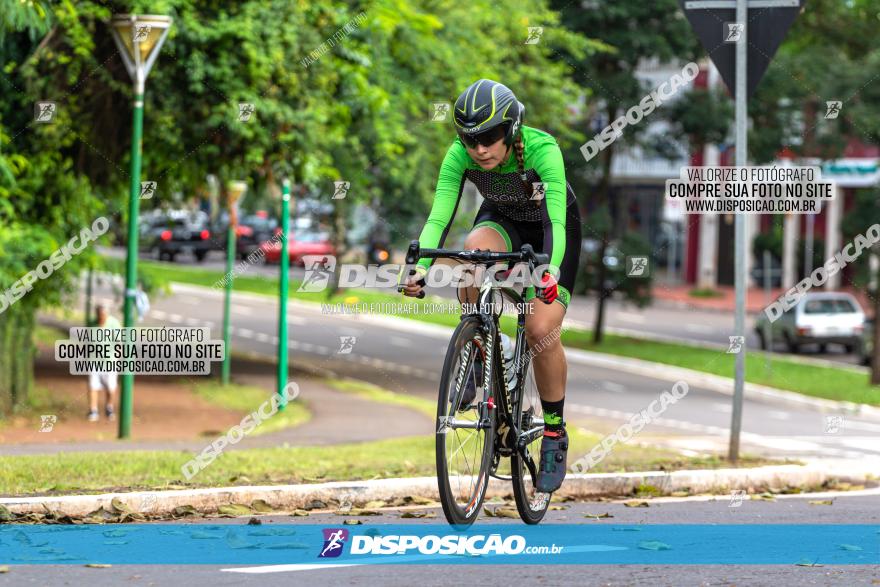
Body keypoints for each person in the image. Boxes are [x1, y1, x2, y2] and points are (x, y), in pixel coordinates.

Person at [400, 79, 582, 493]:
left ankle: (554, 433)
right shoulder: (458, 158)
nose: (480, 149)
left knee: (538, 330)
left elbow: (554, 221)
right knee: (471, 255)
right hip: (502, 222)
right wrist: (419, 268)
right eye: (470, 139)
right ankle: (479, 349)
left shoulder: (542, 149)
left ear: (512, 129)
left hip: (552, 233)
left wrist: (549, 270)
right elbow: (439, 218)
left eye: (489, 137)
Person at [87, 304, 121, 422]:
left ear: (106, 314)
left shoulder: (113, 324)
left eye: (103, 315)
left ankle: (109, 407)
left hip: (110, 361)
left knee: (110, 387)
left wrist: (117, 357)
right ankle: (93, 410)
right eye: (99, 315)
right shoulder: (92, 323)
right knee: (93, 386)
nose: (101, 317)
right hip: (94, 361)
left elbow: (118, 343)